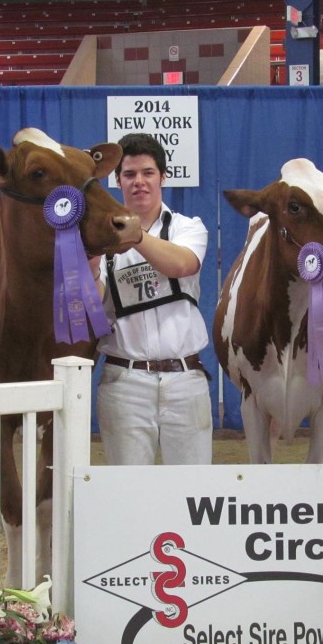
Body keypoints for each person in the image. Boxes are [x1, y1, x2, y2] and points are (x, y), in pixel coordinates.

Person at [94, 132, 213, 465]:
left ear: (164, 176)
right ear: (117, 181)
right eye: (129, 174)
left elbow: (181, 264)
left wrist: (131, 234)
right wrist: (89, 259)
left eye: (148, 172)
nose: (139, 182)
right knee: (131, 492)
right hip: (124, 380)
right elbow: (94, 302)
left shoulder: (188, 228)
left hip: (185, 379)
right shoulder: (100, 241)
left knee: (193, 493)